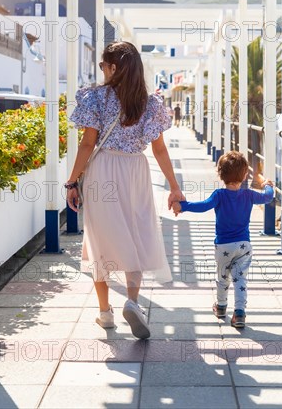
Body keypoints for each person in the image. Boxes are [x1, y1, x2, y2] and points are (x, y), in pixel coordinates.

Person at [65, 41, 184, 339]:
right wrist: (174, 187)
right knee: (136, 233)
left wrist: (72, 181)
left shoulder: (95, 99)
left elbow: (88, 144)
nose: (103, 70)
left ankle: (105, 313)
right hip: (136, 170)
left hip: (103, 170)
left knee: (98, 242)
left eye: (105, 65)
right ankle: (133, 301)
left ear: (114, 67)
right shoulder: (150, 103)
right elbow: (159, 150)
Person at [172, 151, 274, 329]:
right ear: (244, 176)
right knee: (240, 280)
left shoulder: (219, 195)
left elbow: (203, 206)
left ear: (220, 174)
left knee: (222, 277)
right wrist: (267, 185)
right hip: (244, 245)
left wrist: (183, 206)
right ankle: (240, 313)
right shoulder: (249, 195)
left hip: (223, 246)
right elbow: (268, 196)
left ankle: (220, 307)